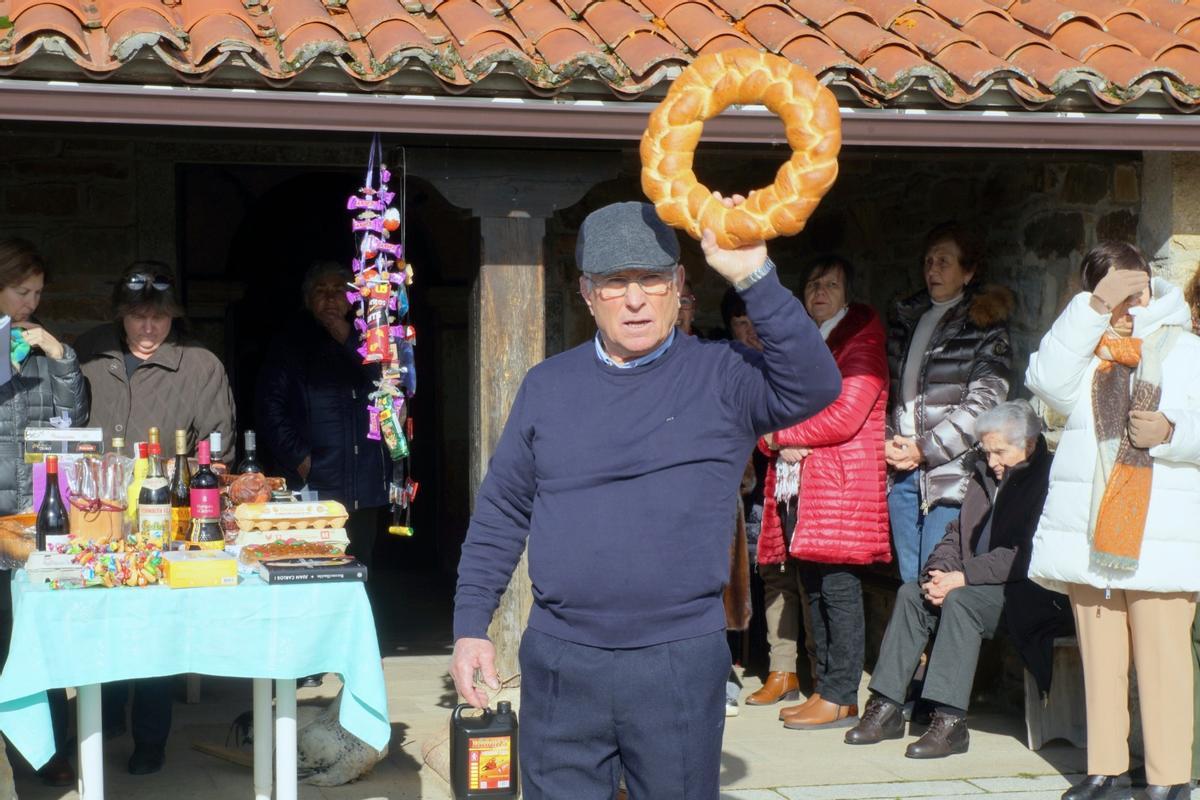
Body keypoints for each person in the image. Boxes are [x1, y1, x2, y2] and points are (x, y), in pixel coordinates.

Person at [450, 199, 841, 799]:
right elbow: (503, 510)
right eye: (614, 283)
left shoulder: (725, 376)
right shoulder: (547, 387)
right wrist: (471, 625)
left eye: (652, 279)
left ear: (679, 286)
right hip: (561, 661)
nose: (635, 299)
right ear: (586, 293)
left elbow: (816, 385)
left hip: (677, 662)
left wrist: (754, 278)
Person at [1026, 242, 1200, 800]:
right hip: (1093, 532)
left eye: (1134, 286)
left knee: (1163, 659)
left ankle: (1171, 778)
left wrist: (1173, 435)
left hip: (1159, 532)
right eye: (1112, 290)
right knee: (1099, 659)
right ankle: (1105, 769)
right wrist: (1093, 310)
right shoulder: (1084, 351)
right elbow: (1045, 381)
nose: (1130, 299)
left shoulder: (1188, 349)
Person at [76, 261, 236, 776]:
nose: (148, 329)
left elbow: (218, 446)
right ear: (120, 315)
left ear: (174, 318)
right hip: (94, 515)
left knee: (151, 630)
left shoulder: (200, 365)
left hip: (165, 517)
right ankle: (98, 728)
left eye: (159, 319)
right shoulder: (87, 353)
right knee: (100, 627)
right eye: (138, 317)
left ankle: (151, 739)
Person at [845, 400, 1056, 758]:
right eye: (987, 452)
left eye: (1000, 452)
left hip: (1029, 593)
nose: (992, 462)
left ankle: (950, 722)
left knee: (962, 602)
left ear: (1030, 444)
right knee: (913, 593)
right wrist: (940, 572)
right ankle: (887, 706)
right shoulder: (985, 474)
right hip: (978, 582)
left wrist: (963, 578)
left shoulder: (1048, 479)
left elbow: (1027, 553)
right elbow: (957, 533)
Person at [752, 256, 890, 732]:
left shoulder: (861, 340)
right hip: (801, 488)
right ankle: (824, 688)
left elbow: (847, 413)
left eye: (831, 283)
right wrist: (772, 435)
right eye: (812, 282)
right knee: (811, 588)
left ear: (847, 295)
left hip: (839, 485)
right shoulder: (804, 343)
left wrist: (780, 436)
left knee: (837, 590)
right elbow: (767, 404)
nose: (819, 291)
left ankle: (840, 694)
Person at [0, 238, 87, 787]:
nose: (31, 303)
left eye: (37, 293)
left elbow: (73, 422)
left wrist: (61, 356)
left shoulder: (37, 345)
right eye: (21, 290)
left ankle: (48, 753)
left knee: (37, 638)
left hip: (30, 520)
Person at [885, 223, 1012, 585]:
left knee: (937, 580)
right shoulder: (907, 320)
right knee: (910, 584)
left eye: (944, 261)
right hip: (902, 473)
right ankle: (917, 646)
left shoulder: (984, 325)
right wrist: (889, 442)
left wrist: (924, 450)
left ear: (968, 272)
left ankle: (937, 646)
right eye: (928, 261)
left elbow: (985, 401)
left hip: (952, 475)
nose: (933, 270)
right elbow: (887, 392)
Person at [256, 261, 391, 568]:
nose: (330, 298)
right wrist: (300, 458)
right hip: (314, 480)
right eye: (321, 291)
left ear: (353, 298)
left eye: (339, 290)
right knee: (312, 564)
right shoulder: (289, 345)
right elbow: (270, 408)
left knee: (360, 566)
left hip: (363, 483)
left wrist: (349, 339)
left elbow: (388, 388)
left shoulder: (371, 342)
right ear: (308, 300)